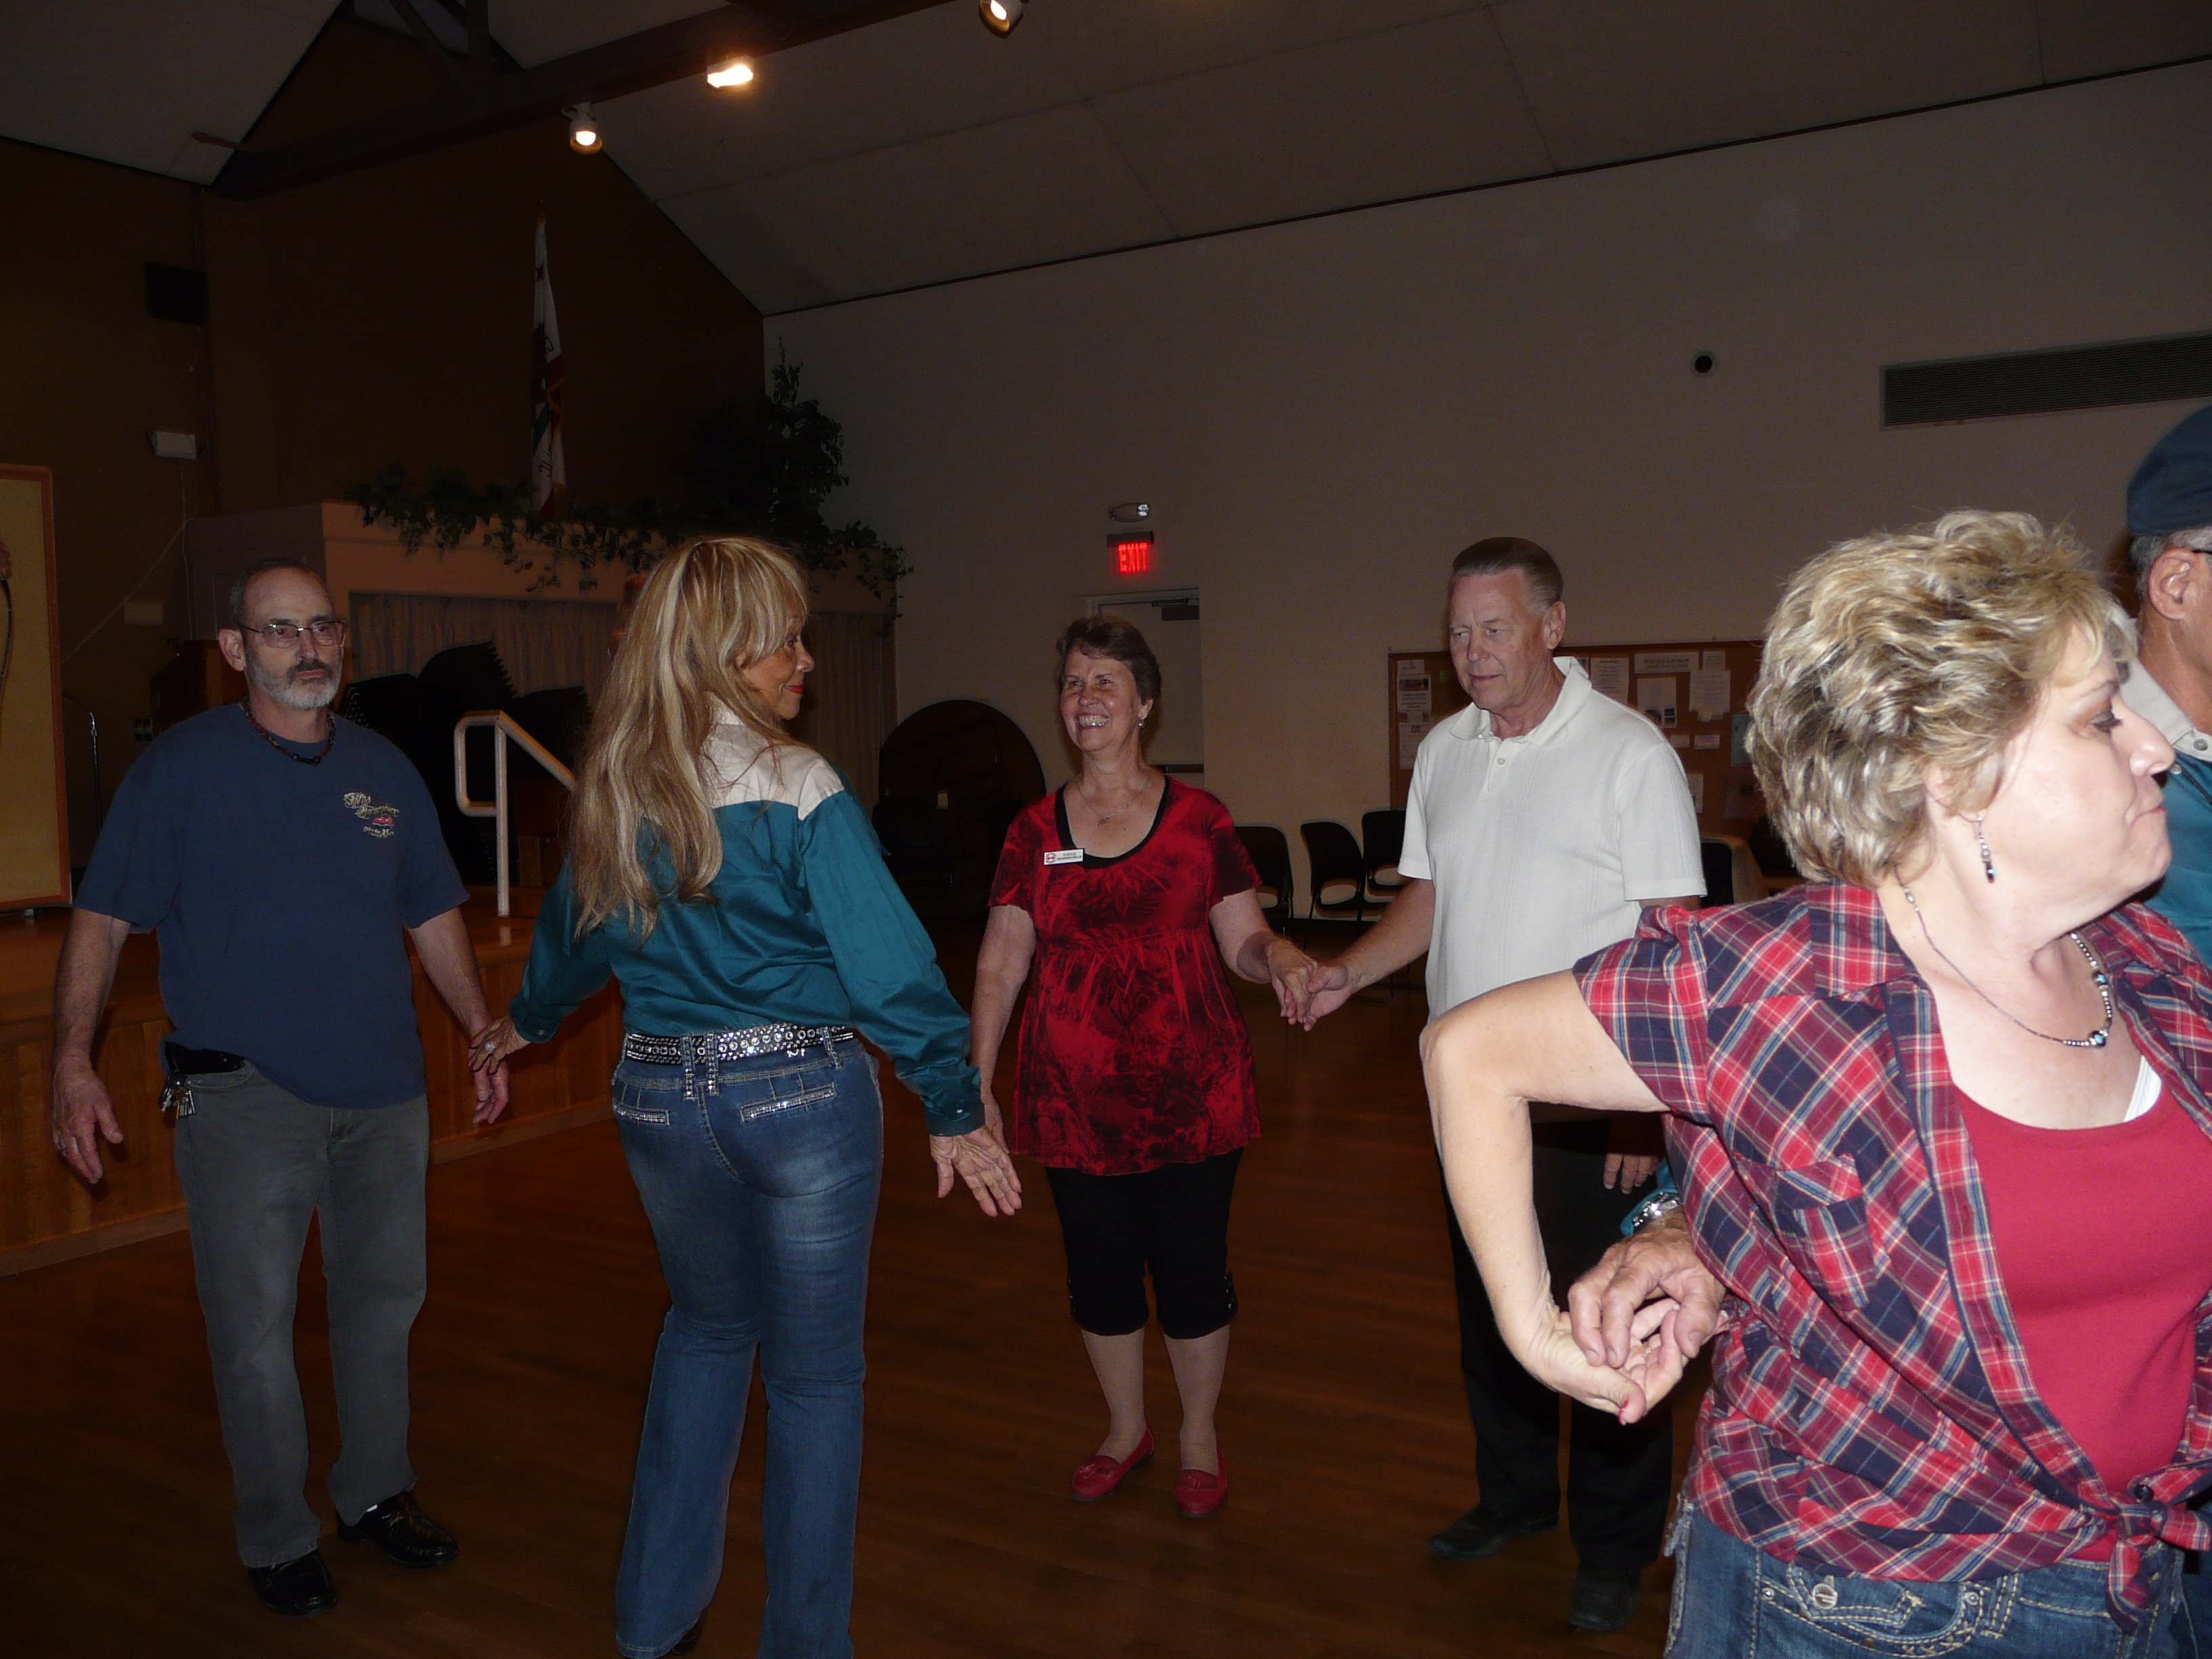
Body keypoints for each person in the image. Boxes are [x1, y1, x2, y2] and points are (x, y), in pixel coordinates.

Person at [1428, 510, 2212, 1656]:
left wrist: (1694, 1228)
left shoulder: (2155, 969)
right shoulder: (1782, 980)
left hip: (2146, 1579)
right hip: (1869, 1600)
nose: (2153, 747)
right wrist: (1533, 1329)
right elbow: (1471, 1052)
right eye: (2100, 719)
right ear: (1955, 772)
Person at [474, 537, 1019, 1659]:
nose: (804, 661)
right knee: (816, 1381)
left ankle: (652, 1625)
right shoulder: (795, 782)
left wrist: (520, 1026)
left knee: (707, 1336)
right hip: (802, 1103)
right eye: (786, 639)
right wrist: (954, 1103)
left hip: (660, 1109)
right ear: (726, 653)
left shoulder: (617, 786)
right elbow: (889, 966)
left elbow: (571, 949)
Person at [48, 557, 510, 1618]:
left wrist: (481, 1026)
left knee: (383, 1308)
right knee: (252, 1327)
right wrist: (71, 1062)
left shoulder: (386, 769)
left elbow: (433, 912)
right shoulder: (181, 770)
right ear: (235, 651)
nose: (307, 648)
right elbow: (103, 918)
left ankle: (375, 1494)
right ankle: (275, 1532)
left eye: (323, 628)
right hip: (245, 1094)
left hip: (386, 1093)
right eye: (279, 630)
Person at [1300, 537, 1702, 1631]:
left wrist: (1643, 1106)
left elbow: (1670, 943)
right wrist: (1347, 971)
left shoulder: (1629, 755)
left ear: (1552, 629)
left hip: (1593, 1110)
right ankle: (1515, 1501)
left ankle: (1614, 1550)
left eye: (1495, 629)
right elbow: (1429, 904)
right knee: (1494, 1311)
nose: (1473, 653)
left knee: (1611, 1319)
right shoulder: (1444, 751)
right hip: (1476, 1107)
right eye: (1459, 633)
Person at [968, 615, 1318, 1519]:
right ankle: (1127, 1428)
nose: (1085, 698)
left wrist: (1277, 958)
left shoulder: (1200, 820)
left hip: (1192, 1091)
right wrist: (977, 1077)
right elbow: (1002, 961)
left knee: (1194, 1270)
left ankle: (1198, 1433)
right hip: (1074, 1097)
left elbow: (1242, 942)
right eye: (1073, 683)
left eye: (1105, 683)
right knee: (1100, 1274)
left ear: (1145, 705)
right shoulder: (1032, 829)